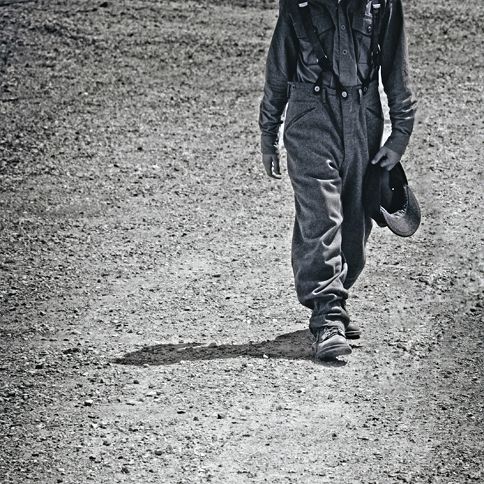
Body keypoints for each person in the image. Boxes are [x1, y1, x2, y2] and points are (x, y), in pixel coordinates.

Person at [259, 0, 417, 359]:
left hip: (364, 116)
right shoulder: (297, 3)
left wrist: (400, 133)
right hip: (310, 116)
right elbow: (279, 66)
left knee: (355, 224)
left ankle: (336, 297)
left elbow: (396, 64)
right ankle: (327, 315)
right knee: (321, 216)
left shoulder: (381, 3)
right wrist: (269, 132)